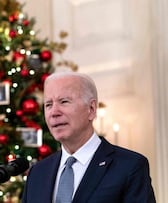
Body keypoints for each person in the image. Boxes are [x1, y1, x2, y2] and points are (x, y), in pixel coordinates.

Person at [21, 72, 156, 203]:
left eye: (64, 101)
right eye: (48, 104)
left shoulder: (129, 166)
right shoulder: (37, 173)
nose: (54, 112)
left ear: (91, 109)